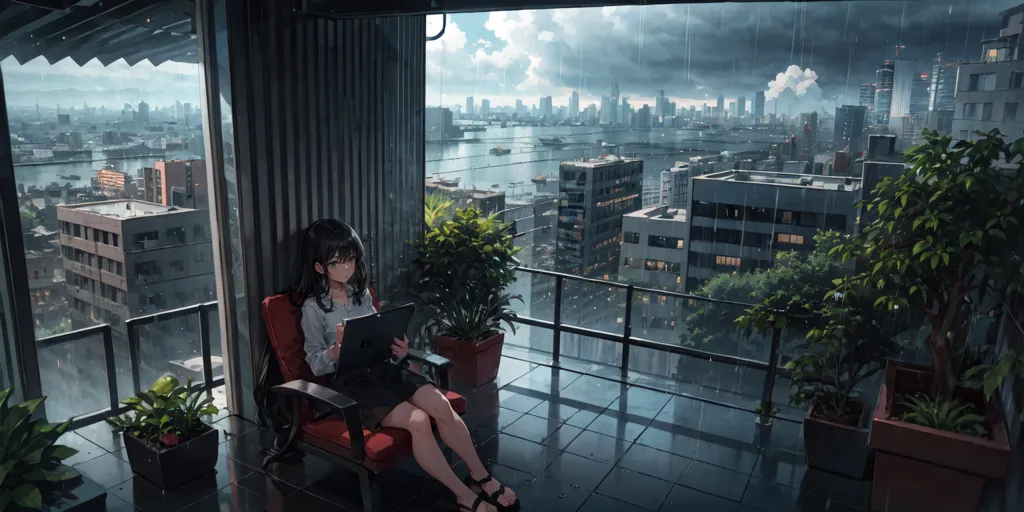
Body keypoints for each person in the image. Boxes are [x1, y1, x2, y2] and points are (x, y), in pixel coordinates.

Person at [294, 219, 518, 512]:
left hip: (385, 369)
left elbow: (375, 337)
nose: (347, 267)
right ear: (320, 267)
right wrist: (335, 352)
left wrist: (398, 349)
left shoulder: (362, 294)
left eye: (350, 258)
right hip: (355, 384)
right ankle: (463, 495)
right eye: (337, 262)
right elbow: (314, 363)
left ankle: (481, 477)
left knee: (440, 406)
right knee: (419, 421)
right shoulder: (313, 308)